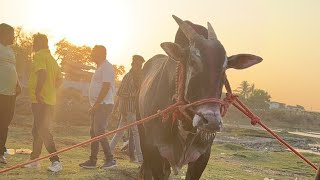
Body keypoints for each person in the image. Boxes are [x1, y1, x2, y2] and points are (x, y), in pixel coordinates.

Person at [24, 33, 63, 172]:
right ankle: (34, 160)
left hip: (40, 100)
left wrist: (39, 92)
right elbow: (60, 79)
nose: (33, 45)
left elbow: (42, 73)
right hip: (49, 101)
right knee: (37, 130)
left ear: (40, 43)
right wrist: (51, 91)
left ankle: (56, 161)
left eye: (35, 42)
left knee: (43, 130)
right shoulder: (51, 59)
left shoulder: (40, 55)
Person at [79, 45, 117, 169]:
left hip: (104, 104)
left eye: (93, 52)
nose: (91, 55)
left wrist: (96, 104)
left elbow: (106, 86)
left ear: (100, 54)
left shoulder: (107, 67)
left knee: (99, 131)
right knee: (94, 133)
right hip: (98, 105)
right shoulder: (100, 67)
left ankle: (110, 159)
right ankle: (92, 161)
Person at [110, 55, 145, 163]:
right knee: (135, 132)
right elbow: (120, 93)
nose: (139, 67)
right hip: (128, 109)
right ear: (132, 65)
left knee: (119, 133)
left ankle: (108, 151)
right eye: (138, 65)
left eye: (141, 65)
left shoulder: (138, 77)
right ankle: (140, 158)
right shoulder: (128, 77)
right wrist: (133, 94)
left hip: (132, 109)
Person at [0, 23, 21, 164]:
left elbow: (12, 68)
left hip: (10, 94)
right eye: (11, 34)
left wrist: (17, 83)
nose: (13, 37)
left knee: (5, 123)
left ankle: (0, 153)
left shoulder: (10, 50)